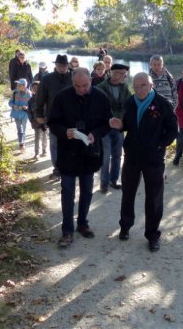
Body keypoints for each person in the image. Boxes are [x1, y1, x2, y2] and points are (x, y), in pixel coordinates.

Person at [109, 72, 178, 252]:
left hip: (154, 159)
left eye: (143, 86)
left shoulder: (163, 104)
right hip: (132, 156)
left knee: (154, 198)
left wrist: (159, 145)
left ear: (151, 85)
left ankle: (152, 235)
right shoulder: (130, 102)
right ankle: (125, 226)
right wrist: (121, 126)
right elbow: (128, 125)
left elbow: (173, 130)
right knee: (128, 193)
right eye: (136, 87)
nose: (139, 90)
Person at [48, 68, 112, 248]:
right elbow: (52, 123)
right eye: (77, 86)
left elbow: (107, 124)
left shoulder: (100, 97)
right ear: (72, 82)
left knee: (87, 190)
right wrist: (64, 132)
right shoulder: (62, 97)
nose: (82, 89)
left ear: (91, 81)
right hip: (68, 152)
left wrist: (95, 134)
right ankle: (67, 231)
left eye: (85, 86)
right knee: (67, 192)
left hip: (90, 153)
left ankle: (83, 223)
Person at [35, 54, 73, 179]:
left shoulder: (73, 77)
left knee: (70, 143)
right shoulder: (47, 79)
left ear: (68, 65)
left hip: (71, 117)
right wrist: (39, 115)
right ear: (55, 65)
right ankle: (57, 169)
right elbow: (40, 98)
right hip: (53, 117)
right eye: (59, 65)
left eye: (64, 65)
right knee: (55, 144)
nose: (62, 68)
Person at [96, 63, 132, 193]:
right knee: (105, 156)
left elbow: (129, 104)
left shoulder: (125, 87)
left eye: (124, 74)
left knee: (117, 155)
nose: (123, 76)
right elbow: (97, 108)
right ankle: (104, 183)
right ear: (113, 72)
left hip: (119, 127)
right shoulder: (100, 87)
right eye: (121, 73)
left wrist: (122, 119)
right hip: (105, 127)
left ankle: (114, 179)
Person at [8, 78, 32, 153]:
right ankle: (21, 143)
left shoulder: (29, 94)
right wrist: (13, 106)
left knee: (23, 130)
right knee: (19, 129)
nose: (17, 85)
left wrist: (27, 107)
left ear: (24, 86)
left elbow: (31, 105)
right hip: (16, 113)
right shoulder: (15, 92)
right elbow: (10, 102)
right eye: (17, 84)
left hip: (25, 114)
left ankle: (22, 143)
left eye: (19, 84)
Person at [27, 80, 47, 159]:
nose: (35, 89)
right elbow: (29, 112)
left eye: (37, 87)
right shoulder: (30, 100)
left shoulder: (46, 98)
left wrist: (46, 119)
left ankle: (44, 150)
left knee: (44, 136)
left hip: (45, 122)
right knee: (37, 137)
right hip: (35, 122)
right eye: (34, 87)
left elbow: (48, 109)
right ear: (32, 89)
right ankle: (36, 153)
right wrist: (32, 120)